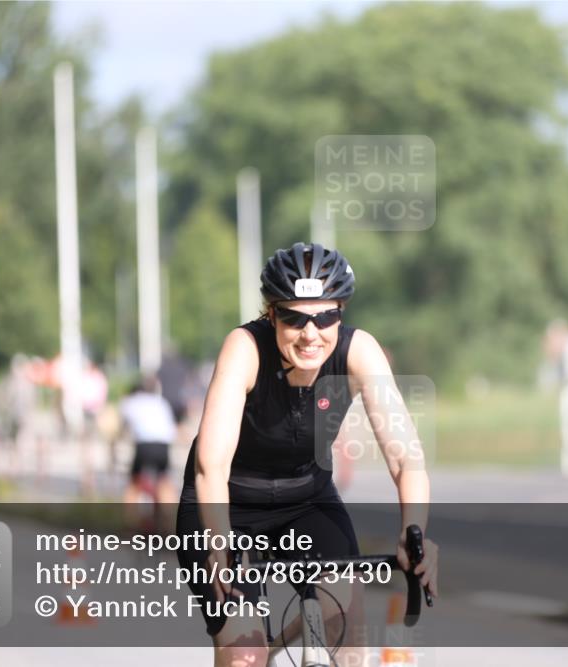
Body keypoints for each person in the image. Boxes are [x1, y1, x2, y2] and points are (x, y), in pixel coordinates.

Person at [176, 242, 438, 667]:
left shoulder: (359, 352)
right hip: (226, 504)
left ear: (341, 313)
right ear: (272, 314)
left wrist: (415, 533)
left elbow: (406, 459)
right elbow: (211, 466)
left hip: (306, 501)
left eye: (325, 317)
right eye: (294, 318)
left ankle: (302, 630)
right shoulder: (244, 348)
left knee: (348, 638)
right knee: (245, 654)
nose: (310, 333)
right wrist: (219, 542)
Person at [120, 374, 178, 505]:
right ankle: (170, 513)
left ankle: (129, 513)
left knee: (135, 481)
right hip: (163, 445)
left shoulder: (132, 401)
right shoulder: (162, 402)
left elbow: (123, 425)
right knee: (163, 479)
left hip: (144, 444)